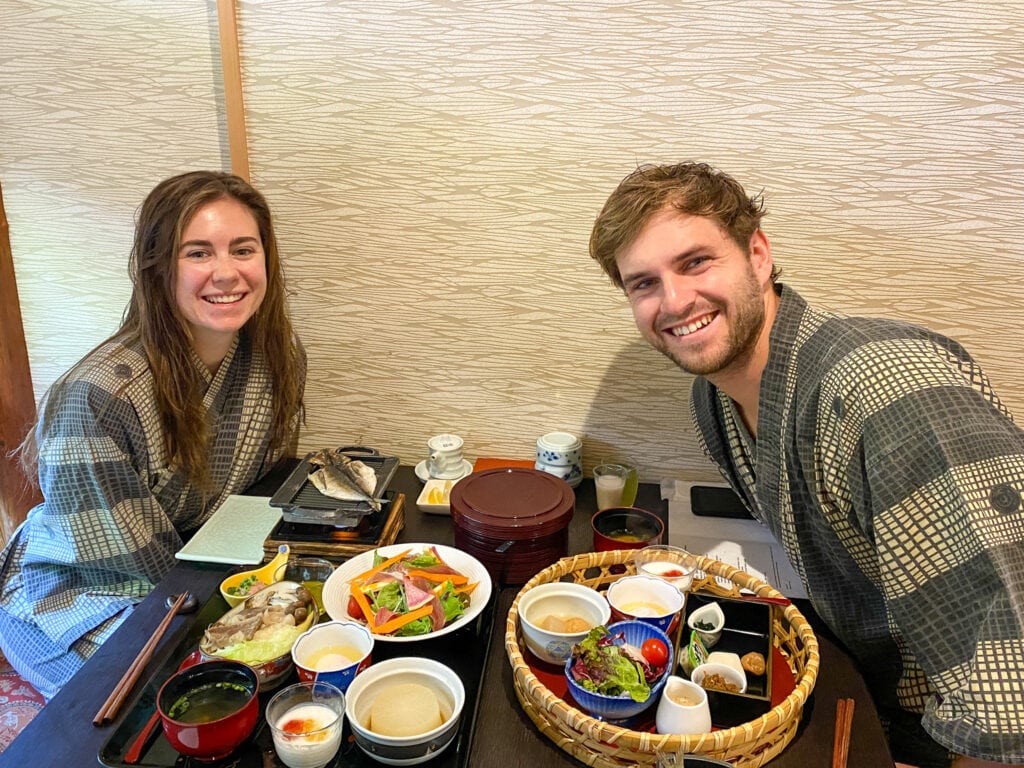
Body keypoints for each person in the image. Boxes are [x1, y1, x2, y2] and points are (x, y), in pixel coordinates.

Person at [589, 162, 1024, 768]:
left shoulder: (885, 392)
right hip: (858, 687)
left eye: (695, 262)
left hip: (940, 738)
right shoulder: (715, 398)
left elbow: (1011, 685)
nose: (675, 300)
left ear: (758, 256)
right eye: (643, 283)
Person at [0, 171, 305, 699]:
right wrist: (243, 618)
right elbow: (144, 578)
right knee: (188, 691)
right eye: (198, 253)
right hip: (85, 590)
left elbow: (263, 493)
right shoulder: (97, 399)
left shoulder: (274, 356)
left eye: (243, 249)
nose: (227, 274)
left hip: (198, 558)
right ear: (157, 267)